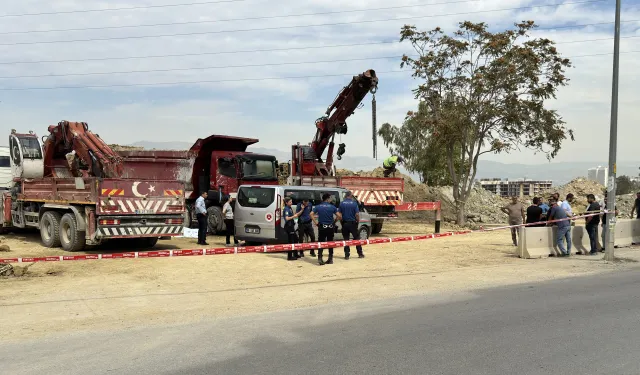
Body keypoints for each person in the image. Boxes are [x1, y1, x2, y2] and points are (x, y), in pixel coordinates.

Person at [311, 193, 340, 266]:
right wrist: (334, 222)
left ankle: (320, 258)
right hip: (330, 227)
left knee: (321, 243)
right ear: (327, 199)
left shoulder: (318, 206)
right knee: (330, 243)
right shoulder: (332, 207)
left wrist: (316, 223)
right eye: (330, 198)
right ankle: (330, 258)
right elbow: (339, 216)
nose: (331, 199)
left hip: (322, 227)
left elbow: (311, 214)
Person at [338, 191, 365, 259]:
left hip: (345, 223)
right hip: (353, 224)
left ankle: (347, 255)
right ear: (350, 196)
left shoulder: (341, 203)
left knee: (346, 240)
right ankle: (360, 253)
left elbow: (339, 215)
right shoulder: (354, 203)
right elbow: (357, 214)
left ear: (346, 196)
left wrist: (342, 222)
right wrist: (357, 222)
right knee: (356, 239)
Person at [283, 197, 303, 261]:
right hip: (289, 227)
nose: (291, 203)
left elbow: (295, 215)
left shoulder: (290, 208)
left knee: (296, 239)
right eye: (290, 202)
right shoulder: (286, 209)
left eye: (291, 202)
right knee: (291, 241)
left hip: (291, 226)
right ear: (286, 203)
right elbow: (287, 218)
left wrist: (302, 210)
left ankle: (295, 254)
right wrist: (293, 217)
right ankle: (289, 256)